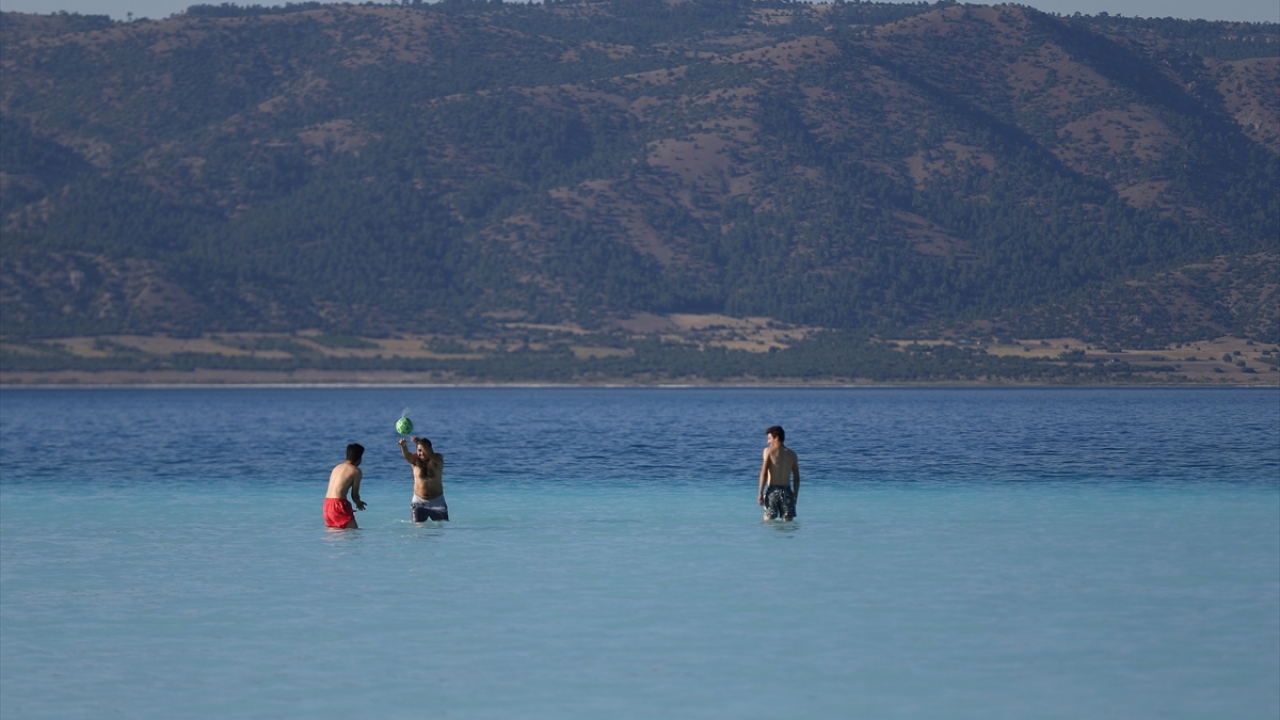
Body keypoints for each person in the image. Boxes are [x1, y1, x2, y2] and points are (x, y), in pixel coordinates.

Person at [401, 435, 448, 522]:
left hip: (437, 502)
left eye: (423, 450)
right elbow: (407, 456)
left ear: (429, 449)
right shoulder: (415, 460)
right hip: (419, 502)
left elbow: (430, 454)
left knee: (441, 527)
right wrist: (403, 446)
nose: (422, 453)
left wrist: (419, 441)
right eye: (419, 450)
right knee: (419, 529)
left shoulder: (437, 459)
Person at [758, 425, 799, 521]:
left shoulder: (768, 451)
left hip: (772, 491)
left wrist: (760, 493)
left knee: (768, 523)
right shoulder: (793, 454)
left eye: (769, 438)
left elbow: (764, 473)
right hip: (787, 491)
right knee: (788, 525)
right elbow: (796, 478)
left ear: (776, 438)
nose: (768, 442)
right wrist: (795, 495)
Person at [324, 443, 367, 529]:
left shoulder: (337, 467)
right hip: (338, 504)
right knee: (354, 533)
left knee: (335, 535)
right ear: (359, 458)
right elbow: (354, 495)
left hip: (327, 505)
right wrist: (358, 503)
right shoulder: (356, 471)